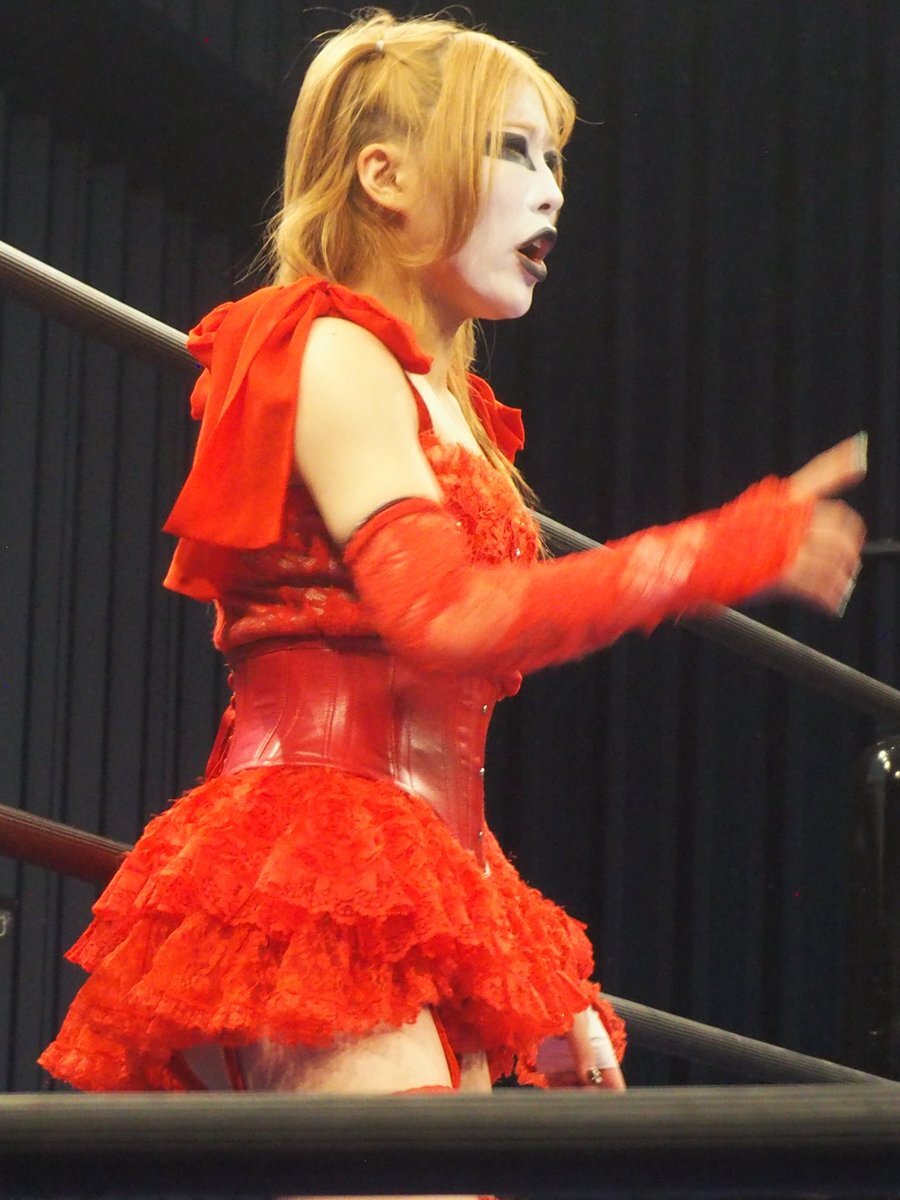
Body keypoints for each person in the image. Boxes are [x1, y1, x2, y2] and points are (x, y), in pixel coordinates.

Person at [41, 4, 864, 1135]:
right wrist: (714, 552)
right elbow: (439, 615)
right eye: (512, 149)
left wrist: (527, 959)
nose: (551, 190)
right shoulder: (326, 347)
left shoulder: (451, 403)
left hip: (409, 867)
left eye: (554, 159)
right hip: (311, 870)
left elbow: (426, 735)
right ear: (385, 176)